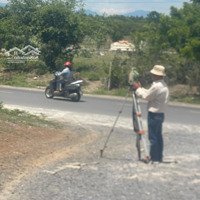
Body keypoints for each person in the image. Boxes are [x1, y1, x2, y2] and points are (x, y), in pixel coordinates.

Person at [132, 65, 169, 163]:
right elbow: (149, 93)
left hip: (154, 114)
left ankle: (154, 158)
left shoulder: (157, 86)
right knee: (158, 136)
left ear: (156, 75)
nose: (152, 75)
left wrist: (137, 89)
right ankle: (158, 157)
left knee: (153, 137)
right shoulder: (162, 84)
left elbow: (146, 96)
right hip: (160, 114)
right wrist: (140, 88)